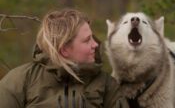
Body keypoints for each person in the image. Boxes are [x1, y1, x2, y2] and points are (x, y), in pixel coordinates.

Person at [0, 8, 129, 108]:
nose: (95, 44)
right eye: (87, 40)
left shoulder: (107, 85)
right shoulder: (19, 82)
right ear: (64, 49)